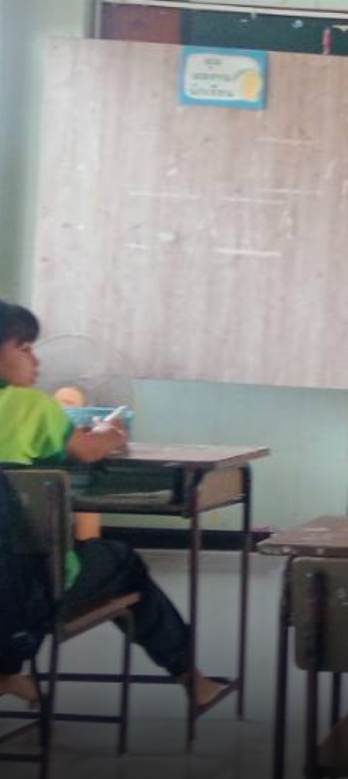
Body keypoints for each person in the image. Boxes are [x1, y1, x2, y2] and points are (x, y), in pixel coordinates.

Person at [0, 301, 222, 710]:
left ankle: (8, 674)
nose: (36, 360)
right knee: (120, 561)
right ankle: (193, 681)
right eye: (25, 348)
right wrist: (111, 432)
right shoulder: (29, 406)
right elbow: (88, 450)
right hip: (31, 592)